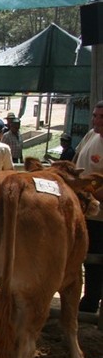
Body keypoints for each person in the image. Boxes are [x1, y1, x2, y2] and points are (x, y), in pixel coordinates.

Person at [74, 100, 103, 313]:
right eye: (95, 116)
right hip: (83, 211)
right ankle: (89, 298)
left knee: (97, 259)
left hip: (100, 214)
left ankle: (93, 300)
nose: (96, 121)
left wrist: (89, 194)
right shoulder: (91, 135)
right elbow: (76, 161)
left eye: (101, 117)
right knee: (86, 258)